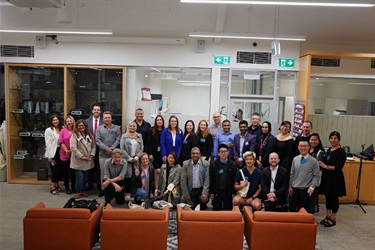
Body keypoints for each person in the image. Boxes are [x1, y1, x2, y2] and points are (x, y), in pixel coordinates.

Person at [318, 131, 347, 227]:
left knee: (334, 198)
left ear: (339, 140)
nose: (333, 140)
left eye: (335, 138)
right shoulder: (329, 150)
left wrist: (325, 166)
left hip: (335, 178)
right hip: (327, 177)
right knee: (328, 197)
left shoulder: (341, 152)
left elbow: (338, 167)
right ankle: (328, 215)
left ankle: (333, 217)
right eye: (331, 138)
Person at [289, 140, 320, 214]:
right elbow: (292, 174)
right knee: (293, 210)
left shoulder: (314, 161)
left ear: (309, 147)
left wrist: (312, 187)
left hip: (306, 190)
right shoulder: (295, 159)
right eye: (301, 146)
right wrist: (290, 186)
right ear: (298, 147)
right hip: (295, 189)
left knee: (305, 212)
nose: (303, 148)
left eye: (305, 146)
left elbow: (316, 176)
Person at [96, 111, 121, 197]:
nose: (107, 119)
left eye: (108, 117)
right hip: (103, 154)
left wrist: (112, 149)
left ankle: (113, 189)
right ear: (103, 119)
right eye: (105, 118)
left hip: (114, 155)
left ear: (111, 118)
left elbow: (118, 139)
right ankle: (103, 189)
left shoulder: (117, 128)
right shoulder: (99, 128)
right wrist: (107, 149)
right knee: (103, 172)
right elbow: (98, 141)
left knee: (114, 173)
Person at [70, 119, 96, 199]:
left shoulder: (90, 135)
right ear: (77, 127)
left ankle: (84, 190)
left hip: (88, 160)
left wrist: (92, 155)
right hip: (79, 160)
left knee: (85, 178)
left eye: (82, 125)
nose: (81, 127)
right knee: (79, 178)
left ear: (85, 126)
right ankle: (78, 192)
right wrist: (81, 156)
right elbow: (73, 148)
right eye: (79, 126)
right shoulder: (74, 135)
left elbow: (93, 146)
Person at [210, 144, 238, 211]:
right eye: (221, 152)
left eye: (225, 151)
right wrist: (211, 192)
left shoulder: (233, 165)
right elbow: (211, 179)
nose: (223, 153)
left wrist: (234, 192)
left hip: (228, 192)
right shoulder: (213, 164)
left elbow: (235, 180)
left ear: (228, 152)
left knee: (228, 212)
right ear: (218, 153)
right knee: (216, 211)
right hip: (217, 191)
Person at [120, 121, 144, 199]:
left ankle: (135, 192)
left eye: (134, 126)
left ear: (136, 127)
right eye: (130, 126)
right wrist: (129, 158)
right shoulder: (124, 136)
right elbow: (122, 149)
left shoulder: (139, 136)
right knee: (128, 176)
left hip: (136, 159)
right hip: (127, 159)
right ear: (128, 127)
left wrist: (137, 157)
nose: (132, 127)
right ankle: (127, 192)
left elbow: (141, 148)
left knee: (136, 176)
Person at [85, 103, 103, 192]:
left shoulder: (104, 122)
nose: (96, 111)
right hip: (89, 147)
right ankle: (90, 184)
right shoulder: (86, 122)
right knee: (90, 167)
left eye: (98, 110)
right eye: (95, 109)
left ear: (100, 111)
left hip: (101, 148)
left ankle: (100, 185)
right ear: (92, 111)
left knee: (99, 167)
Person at [146, 115, 164, 196]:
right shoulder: (151, 130)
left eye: (161, 120)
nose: (159, 121)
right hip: (154, 154)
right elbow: (148, 143)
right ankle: (155, 189)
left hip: (162, 154)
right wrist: (150, 154)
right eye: (158, 120)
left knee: (162, 172)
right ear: (155, 121)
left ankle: (161, 189)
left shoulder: (165, 130)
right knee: (156, 171)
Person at [45, 114, 63, 195]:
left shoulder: (62, 128)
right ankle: (52, 186)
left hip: (61, 151)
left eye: (57, 120)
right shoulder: (48, 130)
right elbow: (48, 143)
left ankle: (57, 185)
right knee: (55, 169)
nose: (55, 121)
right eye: (54, 120)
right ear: (51, 121)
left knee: (59, 169)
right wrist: (49, 156)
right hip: (53, 152)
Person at [58, 115, 76, 194]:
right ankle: (66, 186)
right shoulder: (63, 131)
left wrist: (72, 151)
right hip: (64, 154)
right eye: (67, 121)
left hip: (75, 154)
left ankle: (73, 186)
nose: (69, 122)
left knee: (73, 172)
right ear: (65, 123)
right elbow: (60, 141)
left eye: (70, 121)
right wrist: (67, 151)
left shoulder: (76, 130)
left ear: (73, 122)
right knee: (66, 172)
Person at [309, 133, 325, 213]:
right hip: (305, 176)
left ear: (318, 141)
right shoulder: (306, 149)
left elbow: (318, 164)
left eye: (315, 140)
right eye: (311, 140)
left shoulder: (320, 152)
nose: (313, 141)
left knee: (313, 195)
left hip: (314, 176)